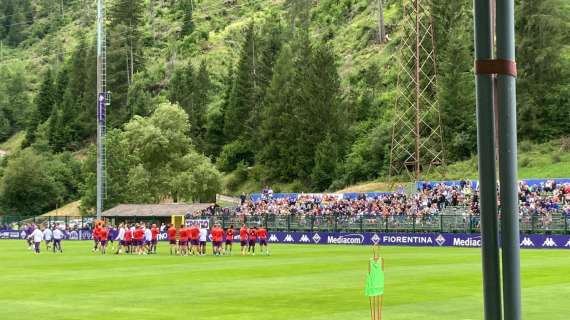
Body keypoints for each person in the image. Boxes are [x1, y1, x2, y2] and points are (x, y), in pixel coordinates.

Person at [365, 244, 385, 320]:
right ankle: (374, 318)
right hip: (377, 284)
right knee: (374, 305)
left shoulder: (380, 260)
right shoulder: (371, 260)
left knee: (377, 304)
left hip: (376, 284)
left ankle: (378, 318)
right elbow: (382, 271)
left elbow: (369, 273)